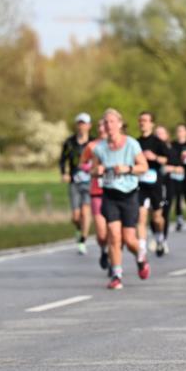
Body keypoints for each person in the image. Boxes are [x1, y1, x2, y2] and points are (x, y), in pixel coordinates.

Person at [91, 108, 151, 289]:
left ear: (119, 124)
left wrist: (127, 169)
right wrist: (98, 171)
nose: (109, 125)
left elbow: (144, 166)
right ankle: (117, 274)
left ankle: (140, 256)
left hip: (129, 195)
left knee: (129, 239)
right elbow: (93, 170)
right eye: (106, 122)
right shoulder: (100, 148)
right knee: (114, 237)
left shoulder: (131, 144)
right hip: (109, 195)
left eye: (112, 122)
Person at [59, 112, 94, 254]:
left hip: (90, 181)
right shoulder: (69, 143)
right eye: (79, 123)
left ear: (89, 126)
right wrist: (64, 173)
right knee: (76, 216)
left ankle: (83, 240)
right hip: (74, 181)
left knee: (86, 212)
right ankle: (79, 230)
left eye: (84, 123)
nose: (81, 127)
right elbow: (62, 160)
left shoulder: (93, 142)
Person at [136, 111, 169, 257]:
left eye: (145, 120)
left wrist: (154, 157)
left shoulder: (158, 142)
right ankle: (142, 249)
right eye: (141, 120)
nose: (143, 123)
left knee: (156, 218)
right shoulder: (135, 143)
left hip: (156, 184)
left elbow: (168, 160)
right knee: (141, 216)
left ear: (151, 123)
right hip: (140, 184)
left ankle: (160, 238)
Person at [80, 119, 110, 272]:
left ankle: (114, 260)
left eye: (104, 124)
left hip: (114, 191)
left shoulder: (118, 144)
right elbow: (82, 163)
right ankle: (104, 250)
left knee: (115, 229)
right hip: (97, 191)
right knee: (101, 232)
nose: (102, 128)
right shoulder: (92, 146)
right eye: (99, 125)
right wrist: (91, 167)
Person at [165, 124, 186, 232]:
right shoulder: (173, 145)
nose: (180, 133)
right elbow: (170, 157)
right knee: (178, 196)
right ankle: (179, 218)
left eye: (182, 130)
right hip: (177, 173)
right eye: (178, 131)